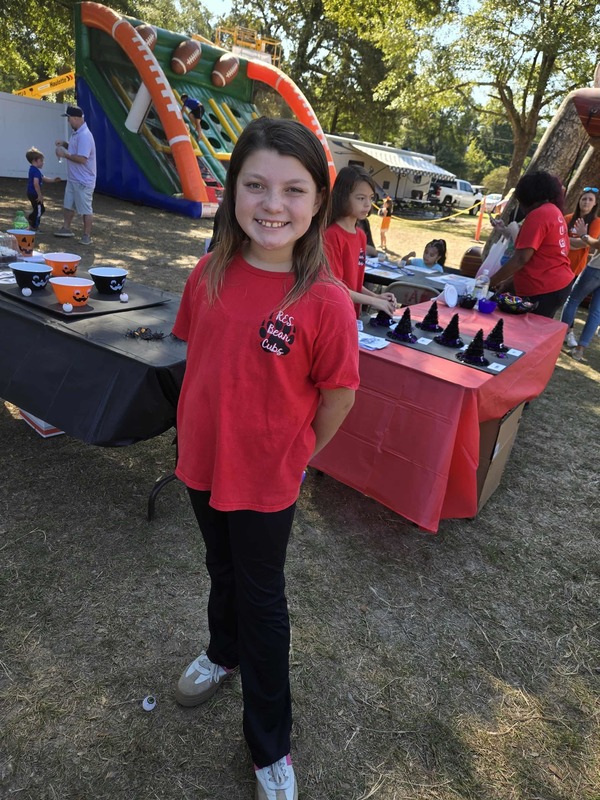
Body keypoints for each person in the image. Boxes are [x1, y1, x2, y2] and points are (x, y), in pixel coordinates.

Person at [172, 117, 359, 800]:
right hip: (202, 464)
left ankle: (270, 743)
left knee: (261, 598)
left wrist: (300, 453)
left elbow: (339, 397)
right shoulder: (208, 272)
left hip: (267, 482)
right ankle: (222, 653)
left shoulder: (327, 303)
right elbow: (203, 361)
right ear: (232, 192)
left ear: (317, 201)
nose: (272, 204)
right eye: (255, 185)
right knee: (220, 569)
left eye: (293, 189)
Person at [490, 171, 574, 318]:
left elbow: (521, 259)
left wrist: (489, 282)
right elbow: (544, 255)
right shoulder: (554, 211)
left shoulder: (538, 215)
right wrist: (510, 282)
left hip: (544, 288)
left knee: (526, 333)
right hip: (557, 284)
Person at [324, 165, 396, 318]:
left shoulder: (361, 236)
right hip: (334, 316)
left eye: (370, 198)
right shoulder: (332, 235)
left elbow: (353, 284)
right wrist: (372, 301)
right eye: (361, 198)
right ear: (343, 196)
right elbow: (335, 287)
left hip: (352, 315)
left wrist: (376, 297)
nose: (367, 205)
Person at [562, 187, 600, 347]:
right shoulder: (567, 218)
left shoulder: (596, 222)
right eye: (584, 198)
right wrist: (580, 240)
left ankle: (569, 334)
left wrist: (566, 241)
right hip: (560, 263)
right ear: (579, 201)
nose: (586, 202)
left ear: (595, 204)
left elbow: (584, 244)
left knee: (572, 300)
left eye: (590, 199)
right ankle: (567, 333)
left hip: (577, 267)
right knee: (564, 299)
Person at [54, 105, 97, 245]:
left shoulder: (84, 135)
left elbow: (82, 159)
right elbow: (75, 150)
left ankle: (87, 235)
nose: (68, 122)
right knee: (68, 204)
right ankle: (66, 228)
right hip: (74, 178)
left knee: (85, 209)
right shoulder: (77, 132)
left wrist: (65, 155)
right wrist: (65, 144)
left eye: (69, 119)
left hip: (83, 180)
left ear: (76, 118)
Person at [561, 246, 600, 361]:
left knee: (572, 300)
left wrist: (584, 236)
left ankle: (561, 336)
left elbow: (597, 244)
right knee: (596, 311)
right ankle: (580, 349)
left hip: (596, 267)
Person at [25, 147, 61, 231]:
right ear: (35, 161)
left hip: (31, 193)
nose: (43, 163)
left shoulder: (33, 169)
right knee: (39, 211)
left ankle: (31, 220)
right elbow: (36, 183)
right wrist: (39, 195)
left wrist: (53, 180)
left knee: (40, 209)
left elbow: (43, 178)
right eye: (41, 161)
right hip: (34, 194)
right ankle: (34, 226)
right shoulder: (36, 171)